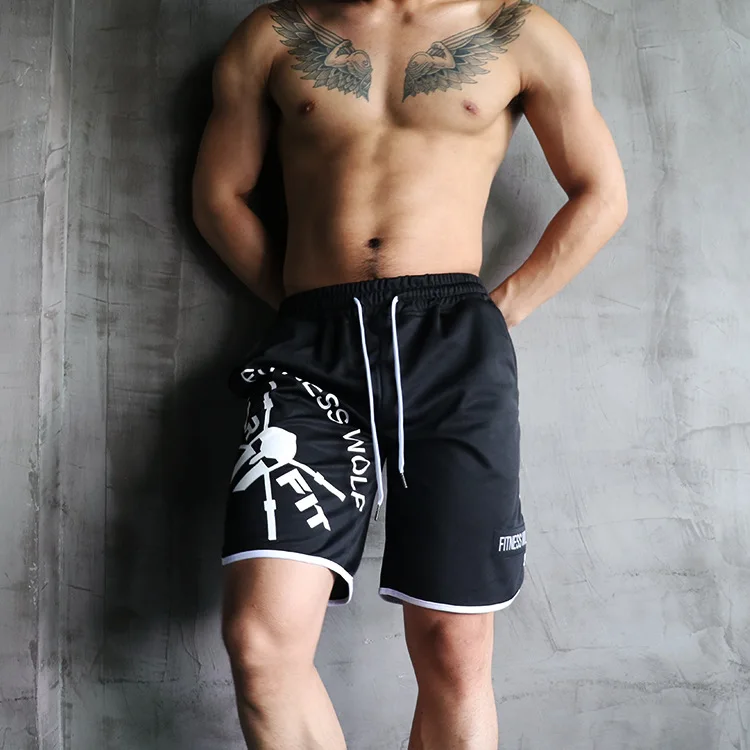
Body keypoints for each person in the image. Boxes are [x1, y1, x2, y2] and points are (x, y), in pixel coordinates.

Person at [192, 0, 627, 745]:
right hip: (312, 354)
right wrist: (299, 302)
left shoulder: (517, 31)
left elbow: (602, 192)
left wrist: (501, 310)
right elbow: (218, 197)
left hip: (452, 348)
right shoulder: (275, 33)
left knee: (454, 648)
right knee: (261, 643)